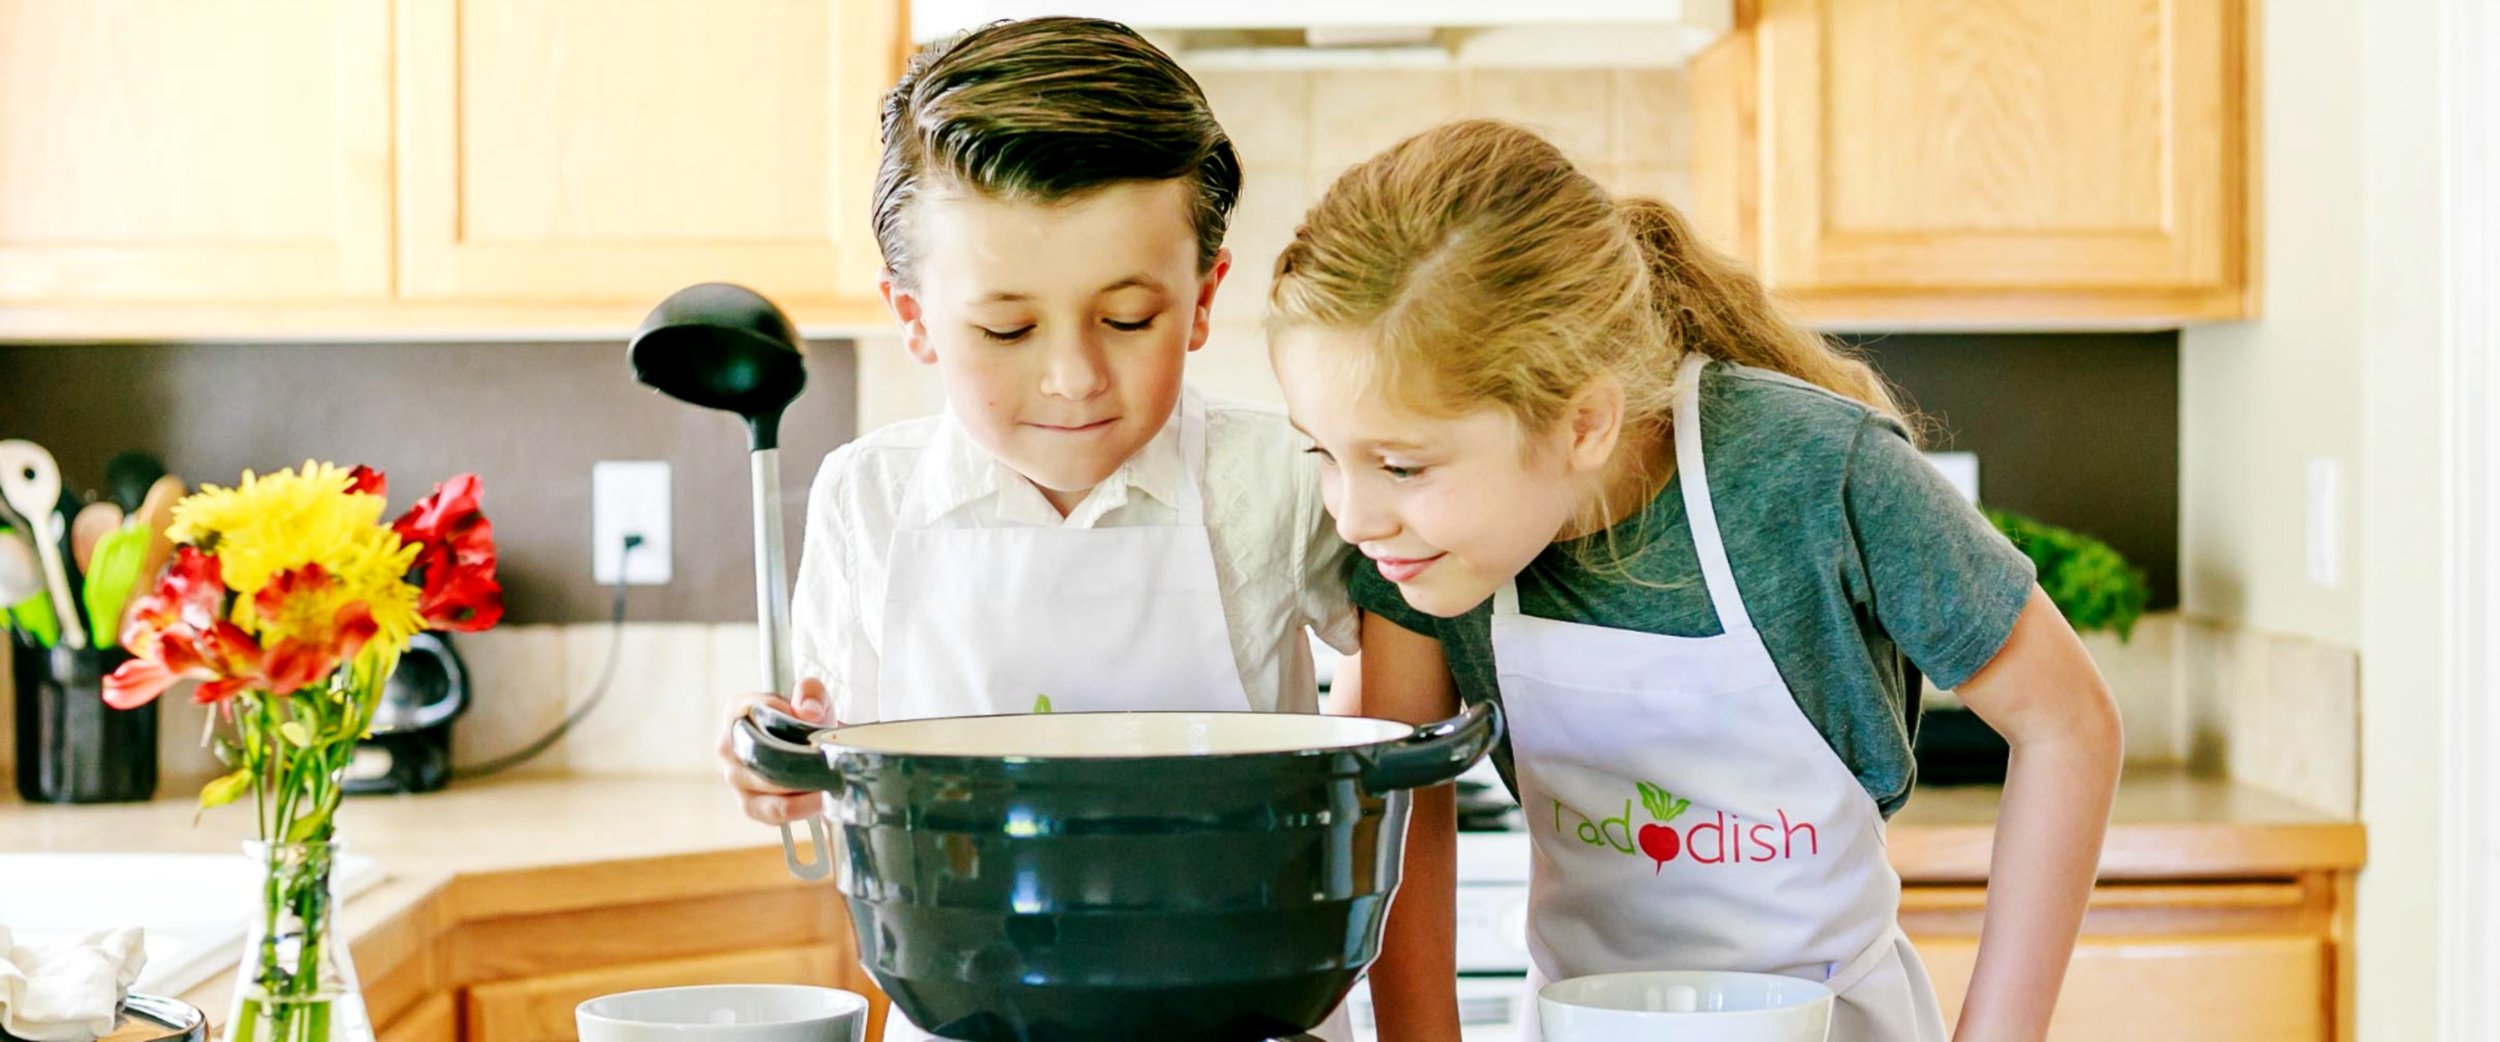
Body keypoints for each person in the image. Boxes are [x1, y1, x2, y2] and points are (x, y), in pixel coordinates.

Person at [1265, 119, 2124, 1042]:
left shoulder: (1815, 474)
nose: (1351, 517)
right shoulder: (1418, 557)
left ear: (1582, 423)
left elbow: (2070, 725)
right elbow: (1401, 792)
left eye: (1400, 466)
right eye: (1324, 454)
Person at [714, 18, 1358, 1041]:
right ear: (914, 318)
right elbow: (836, 768)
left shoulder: (1275, 476)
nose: (1072, 377)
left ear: (1202, 299)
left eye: (1129, 318)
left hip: (1250, 1015)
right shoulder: (866, 499)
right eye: (1007, 328)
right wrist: (778, 765)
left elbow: (1402, 674)